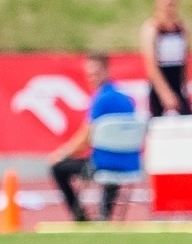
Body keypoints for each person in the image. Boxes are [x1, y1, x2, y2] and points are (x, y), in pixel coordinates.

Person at [48, 53, 137, 222]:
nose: (91, 78)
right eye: (89, 74)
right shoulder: (126, 99)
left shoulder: (100, 99)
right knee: (114, 156)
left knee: (58, 168)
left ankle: (80, 218)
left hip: (103, 165)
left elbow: (85, 137)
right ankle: (105, 213)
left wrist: (63, 154)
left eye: (95, 73)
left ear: (106, 70)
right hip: (130, 164)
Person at [140, 0, 189, 117]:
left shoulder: (181, 28)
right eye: (165, 4)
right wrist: (164, 93)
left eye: (171, 4)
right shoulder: (152, 29)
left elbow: (183, 61)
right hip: (160, 85)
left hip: (177, 83)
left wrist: (183, 87)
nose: (169, 8)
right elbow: (151, 65)